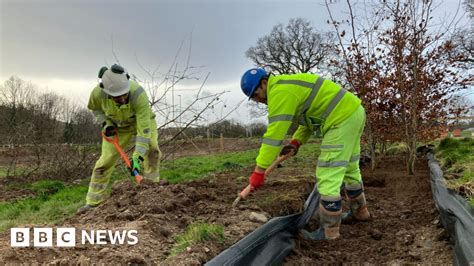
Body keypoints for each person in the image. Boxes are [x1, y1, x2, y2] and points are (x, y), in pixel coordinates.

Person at [240, 68, 370, 240]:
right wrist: (296, 142)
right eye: (253, 98)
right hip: (354, 113)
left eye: (256, 95)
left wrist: (259, 171)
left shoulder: (280, 92)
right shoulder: (287, 87)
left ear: (264, 83)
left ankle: (329, 231)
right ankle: (360, 212)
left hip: (340, 119)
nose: (258, 100)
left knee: (328, 173)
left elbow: (273, 137)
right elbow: (309, 120)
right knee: (350, 168)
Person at [79, 64, 161, 212]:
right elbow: (95, 109)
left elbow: (143, 132)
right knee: (105, 162)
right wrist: (106, 123)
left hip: (141, 122)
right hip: (117, 128)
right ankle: (93, 202)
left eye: (124, 95)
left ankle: (151, 193)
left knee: (153, 151)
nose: (122, 99)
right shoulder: (97, 94)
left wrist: (137, 158)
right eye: (117, 98)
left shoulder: (138, 95)